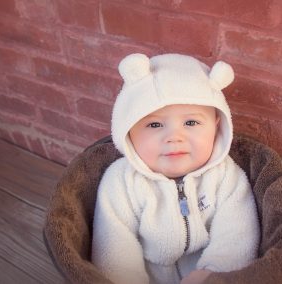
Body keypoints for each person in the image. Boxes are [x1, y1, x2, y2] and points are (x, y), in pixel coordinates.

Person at [91, 53, 260, 284]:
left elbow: (238, 233)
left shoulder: (226, 176)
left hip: (206, 270)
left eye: (191, 123)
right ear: (128, 130)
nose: (174, 137)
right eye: (154, 124)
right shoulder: (121, 181)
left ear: (216, 126)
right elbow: (113, 248)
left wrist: (214, 273)